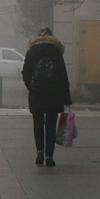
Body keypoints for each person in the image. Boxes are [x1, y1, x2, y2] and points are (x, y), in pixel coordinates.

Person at [22, 27, 72, 167]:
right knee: (50, 125)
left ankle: (39, 152)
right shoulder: (56, 52)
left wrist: (31, 87)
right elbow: (63, 77)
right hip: (53, 94)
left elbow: (25, 73)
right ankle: (49, 156)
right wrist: (66, 98)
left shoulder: (32, 52)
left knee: (38, 124)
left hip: (36, 93)